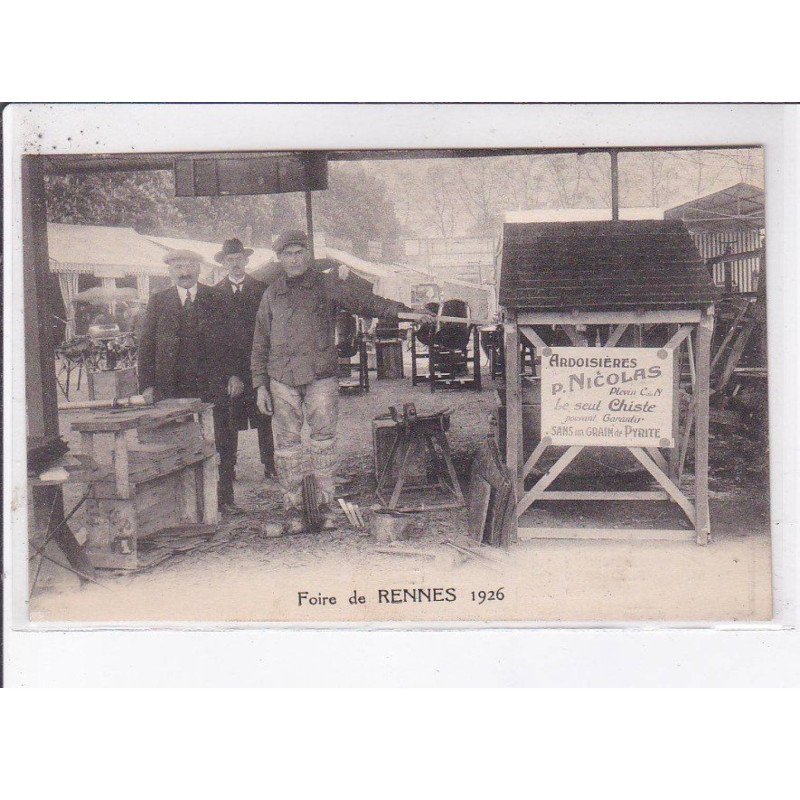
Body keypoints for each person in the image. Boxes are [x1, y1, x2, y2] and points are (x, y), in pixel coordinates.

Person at [251, 229, 431, 535]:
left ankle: (326, 504)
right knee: (287, 446)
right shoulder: (271, 294)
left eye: (298, 253)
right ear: (279, 259)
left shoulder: (327, 285)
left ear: (307, 255)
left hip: (320, 374)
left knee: (323, 440)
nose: (293, 260)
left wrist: (407, 313)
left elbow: (367, 303)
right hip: (281, 377)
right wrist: (259, 385)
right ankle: (293, 507)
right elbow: (260, 342)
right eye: (287, 254)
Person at [137, 249, 243, 513]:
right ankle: (179, 505)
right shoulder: (158, 301)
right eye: (178, 267)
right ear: (170, 272)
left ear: (200, 269)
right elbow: (146, 345)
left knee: (221, 436)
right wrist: (147, 385)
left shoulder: (217, 297)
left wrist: (235, 375)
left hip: (213, 382)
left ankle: (223, 498)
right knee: (174, 438)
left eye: (189, 267)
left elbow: (234, 340)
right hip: (171, 385)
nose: (184, 273)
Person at [212, 238, 276, 502]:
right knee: (229, 419)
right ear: (224, 263)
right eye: (230, 260)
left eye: (239, 258)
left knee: (264, 415)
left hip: (258, 362)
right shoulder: (215, 294)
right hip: (231, 369)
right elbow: (214, 339)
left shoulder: (262, 289)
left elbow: (270, 330)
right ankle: (230, 467)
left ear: (246, 261)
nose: (235, 263)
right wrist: (229, 374)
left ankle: (269, 463)